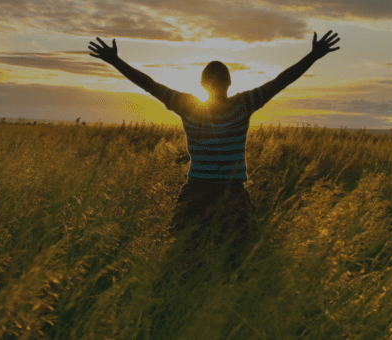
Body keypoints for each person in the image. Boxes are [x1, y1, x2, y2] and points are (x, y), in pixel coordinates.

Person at [88, 31, 340, 269]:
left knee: (180, 257)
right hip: (232, 194)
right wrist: (313, 56)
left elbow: (149, 84)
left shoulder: (188, 106)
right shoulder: (243, 104)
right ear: (230, 82)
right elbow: (281, 81)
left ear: (201, 84)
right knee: (242, 259)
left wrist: (115, 60)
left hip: (196, 191)